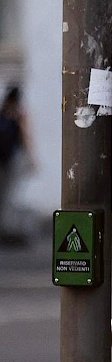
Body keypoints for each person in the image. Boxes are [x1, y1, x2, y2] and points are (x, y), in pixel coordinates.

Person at [0, 85, 36, 243]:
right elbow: (25, 138)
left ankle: (6, 227)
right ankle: (9, 228)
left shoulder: (3, 113)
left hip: (4, 160)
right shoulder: (18, 115)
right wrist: (31, 158)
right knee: (11, 195)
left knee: (5, 195)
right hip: (12, 159)